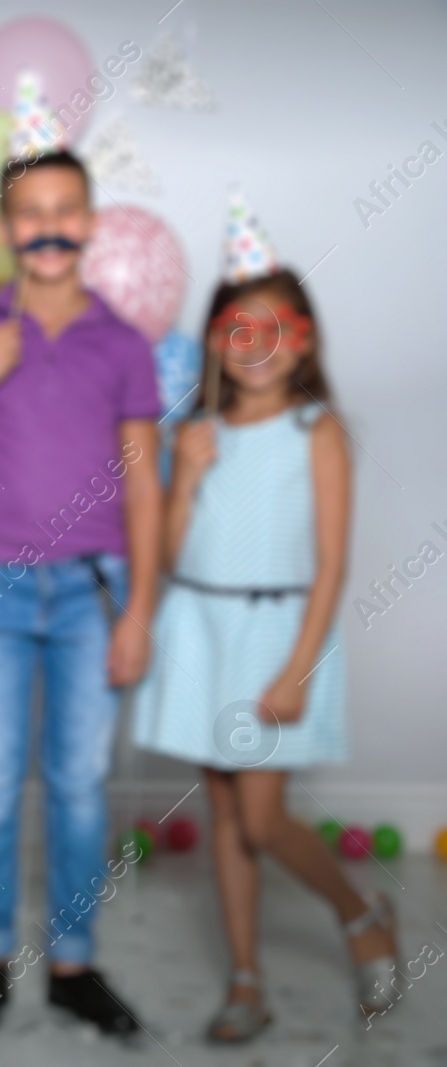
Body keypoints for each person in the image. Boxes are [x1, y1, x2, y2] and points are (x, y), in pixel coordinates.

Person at [131, 257, 399, 1041]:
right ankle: (247, 976)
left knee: (260, 819)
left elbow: (331, 565)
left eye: (276, 327)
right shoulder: (198, 433)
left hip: (274, 635)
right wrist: (186, 477)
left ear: (304, 340)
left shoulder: (317, 432)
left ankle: (362, 914)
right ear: (216, 339)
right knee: (223, 810)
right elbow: (176, 552)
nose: (257, 343)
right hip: (199, 629)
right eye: (237, 327)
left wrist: (299, 667)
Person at [0, 150, 160, 1036]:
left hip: (90, 595)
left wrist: (138, 608)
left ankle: (73, 961)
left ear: (92, 222)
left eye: (68, 209)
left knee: (80, 785)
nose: (51, 226)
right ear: (5, 231)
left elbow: (143, 483)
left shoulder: (122, 344)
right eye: (32, 212)